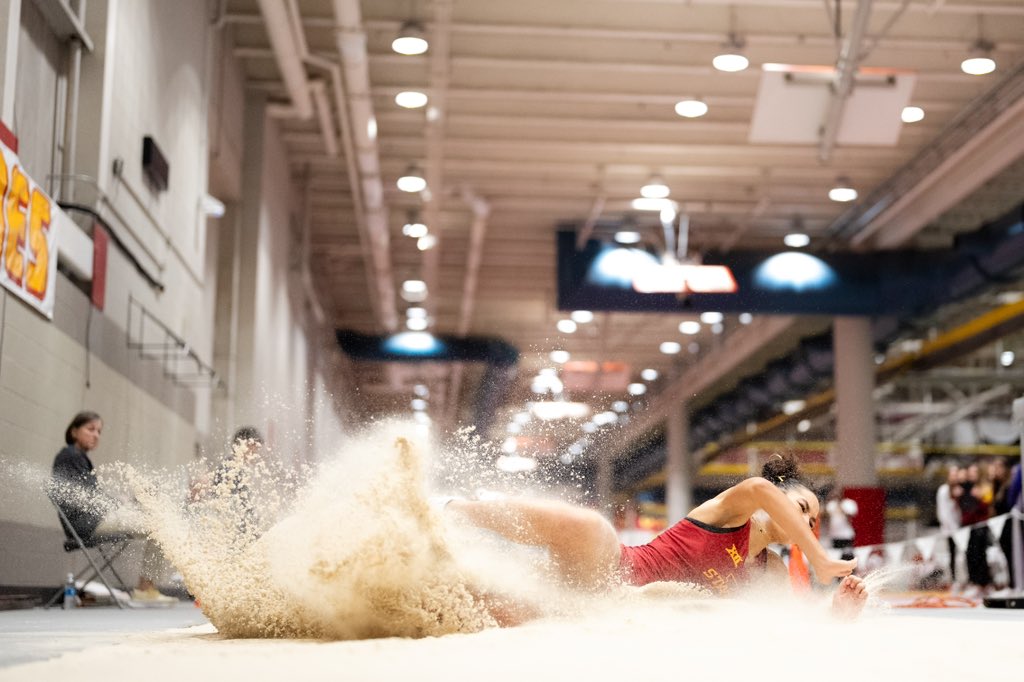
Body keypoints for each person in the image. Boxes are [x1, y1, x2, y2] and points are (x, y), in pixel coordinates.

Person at [445, 453, 867, 622]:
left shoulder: (769, 569)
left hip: (613, 611)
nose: (807, 520)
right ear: (778, 493)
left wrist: (838, 612)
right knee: (591, 526)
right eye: (802, 506)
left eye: (813, 519)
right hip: (612, 569)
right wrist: (819, 557)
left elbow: (787, 624)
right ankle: (454, 512)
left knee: (490, 611)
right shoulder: (732, 510)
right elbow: (759, 489)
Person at [49, 411, 175, 604]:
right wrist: (120, 502)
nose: (96, 435)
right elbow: (87, 497)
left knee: (156, 522)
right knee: (159, 528)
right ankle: (145, 589)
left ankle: (146, 588)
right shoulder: (70, 456)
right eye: (90, 429)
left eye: (99, 431)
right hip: (88, 525)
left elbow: (89, 495)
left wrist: (121, 501)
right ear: (74, 432)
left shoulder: (77, 457)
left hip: (93, 520)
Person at [952, 461, 994, 595]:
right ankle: (974, 582)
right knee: (970, 554)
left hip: (980, 525)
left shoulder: (985, 487)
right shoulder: (966, 488)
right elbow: (963, 507)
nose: (971, 474)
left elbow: (987, 507)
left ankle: (983, 583)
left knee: (980, 555)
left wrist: (980, 498)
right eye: (970, 472)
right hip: (968, 526)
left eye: (974, 472)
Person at [935, 463, 962, 587]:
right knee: (951, 554)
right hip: (949, 528)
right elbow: (942, 511)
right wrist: (949, 527)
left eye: (956, 475)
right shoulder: (943, 490)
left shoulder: (961, 489)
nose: (954, 477)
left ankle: (962, 579)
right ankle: (953, 579)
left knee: (961, 554)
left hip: (961, 527)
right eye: (952, 475)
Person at [825, 489, 858, 562]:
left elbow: (851, 517)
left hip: (846, 535)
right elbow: (827, 518)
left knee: (847, 556)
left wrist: (841, 507)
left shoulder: (848, 504)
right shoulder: (831, 505)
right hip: (835, 535)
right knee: (836, 556)